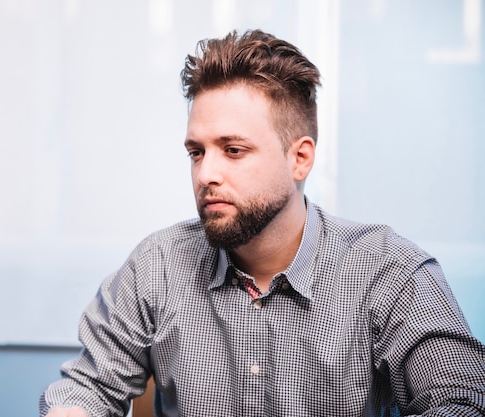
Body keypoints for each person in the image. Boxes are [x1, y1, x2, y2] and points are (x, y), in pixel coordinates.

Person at [39, 29, 485, 417]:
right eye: (197, 152)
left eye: (233, 150)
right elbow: (88, 386)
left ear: (300, 158)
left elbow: (462, 400)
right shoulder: (157, 265)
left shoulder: (389, 272)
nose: (205, 174)